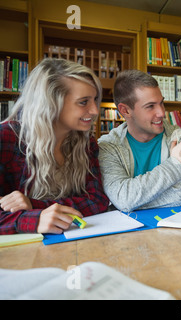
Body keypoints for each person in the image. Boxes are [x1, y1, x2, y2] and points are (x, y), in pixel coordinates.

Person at [0, 58, 109, 234]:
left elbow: (97, 200)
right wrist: (33, 220)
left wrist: (33, 205)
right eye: (83, 102)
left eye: (95, 99)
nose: (95, 111)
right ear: (50, 102)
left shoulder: (86, 142)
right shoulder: (6, 137)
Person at [98, 70, 181, 212]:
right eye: (150, 106)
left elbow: (177, 198)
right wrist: (175, 165)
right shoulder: (107, 147)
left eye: (161, 103)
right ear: (125, 111)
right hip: (123, 233)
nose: (161, 113)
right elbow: (124, 200)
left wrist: (132, 203)